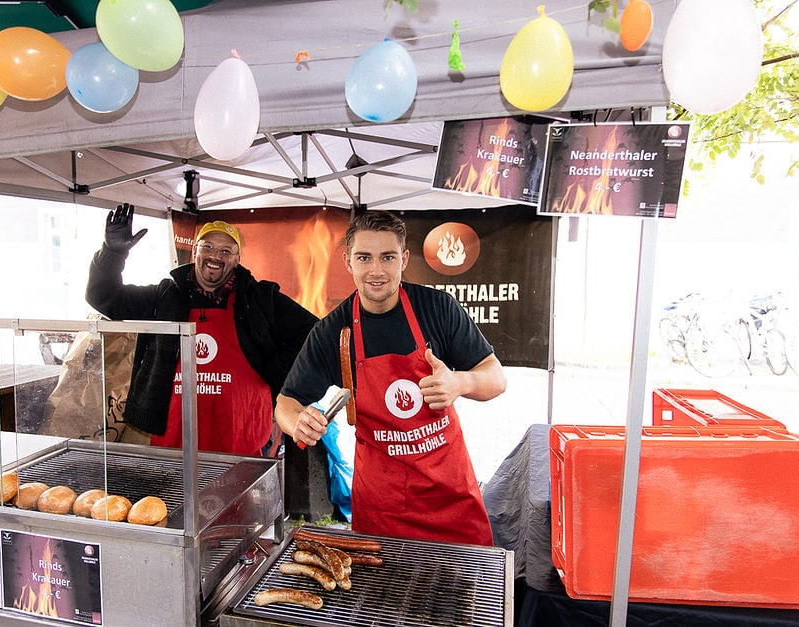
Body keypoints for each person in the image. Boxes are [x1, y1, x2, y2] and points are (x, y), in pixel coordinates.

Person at [275, 210, 507, 546]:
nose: (376, 270)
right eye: (364, 258)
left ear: (404, 259)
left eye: (387, 257)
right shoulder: (332, 331)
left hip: (450, 499)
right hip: (382, 508)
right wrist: (297, 421)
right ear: (348, 261)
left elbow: (496, 378)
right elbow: (285, 402)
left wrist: (461, 383)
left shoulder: (437, 308)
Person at [86, 203, 317, 457]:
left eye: (225, 250)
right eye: (207, 246)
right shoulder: (165, 295)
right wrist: (111, 254)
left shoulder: (259, 298)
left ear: (238, 259)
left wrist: (275, 372)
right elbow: (103, 297)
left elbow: (312, 332)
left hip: (242, 439)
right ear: (194, 252)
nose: (215, 255)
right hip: (173, 441)